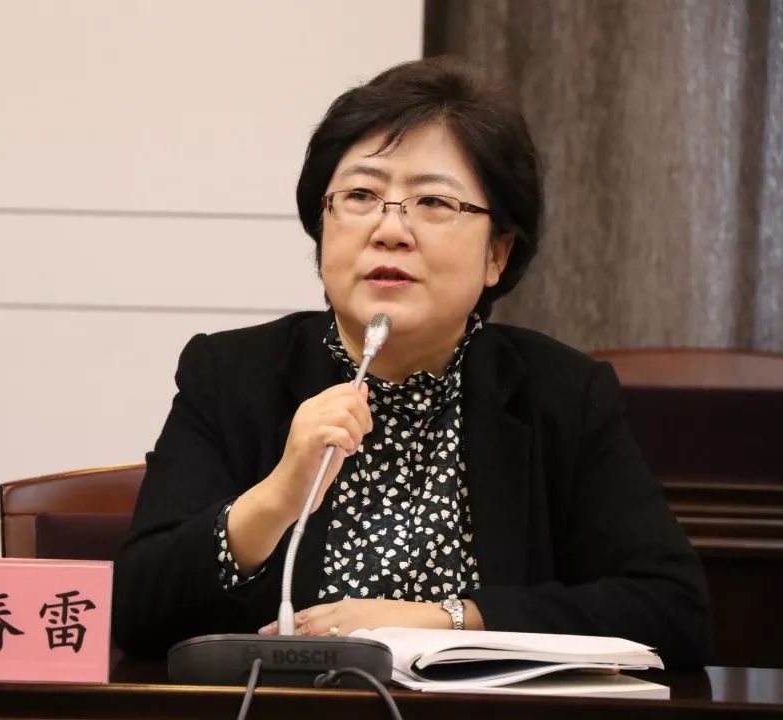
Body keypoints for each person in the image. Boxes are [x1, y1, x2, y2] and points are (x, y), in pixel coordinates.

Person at [111, 56, 711, 668]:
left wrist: (451, 620)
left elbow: (672, 611)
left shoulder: (561, 394)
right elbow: (135, 615)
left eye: (433, 202)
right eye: (361, 195)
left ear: (497, 255)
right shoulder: (232, 375)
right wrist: (276, 497)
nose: (390, 230)